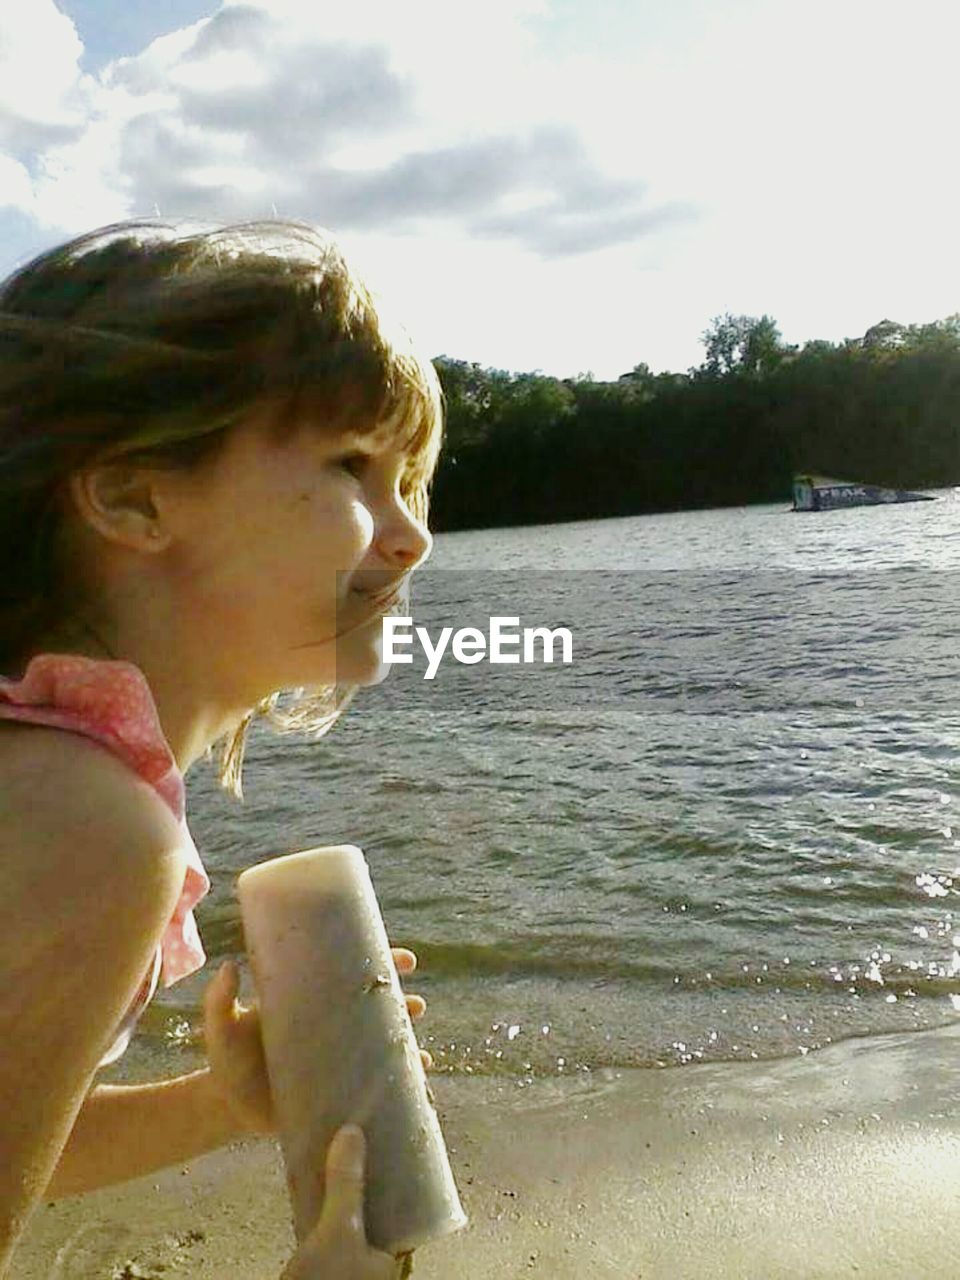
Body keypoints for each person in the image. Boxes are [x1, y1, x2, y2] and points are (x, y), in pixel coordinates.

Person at [0, 218, 443, 1279]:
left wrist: (219, 1104)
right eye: (353, 464)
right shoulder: (89, 823)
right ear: (135, 494)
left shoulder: (51, 772)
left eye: (409, 481)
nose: (413, 532)